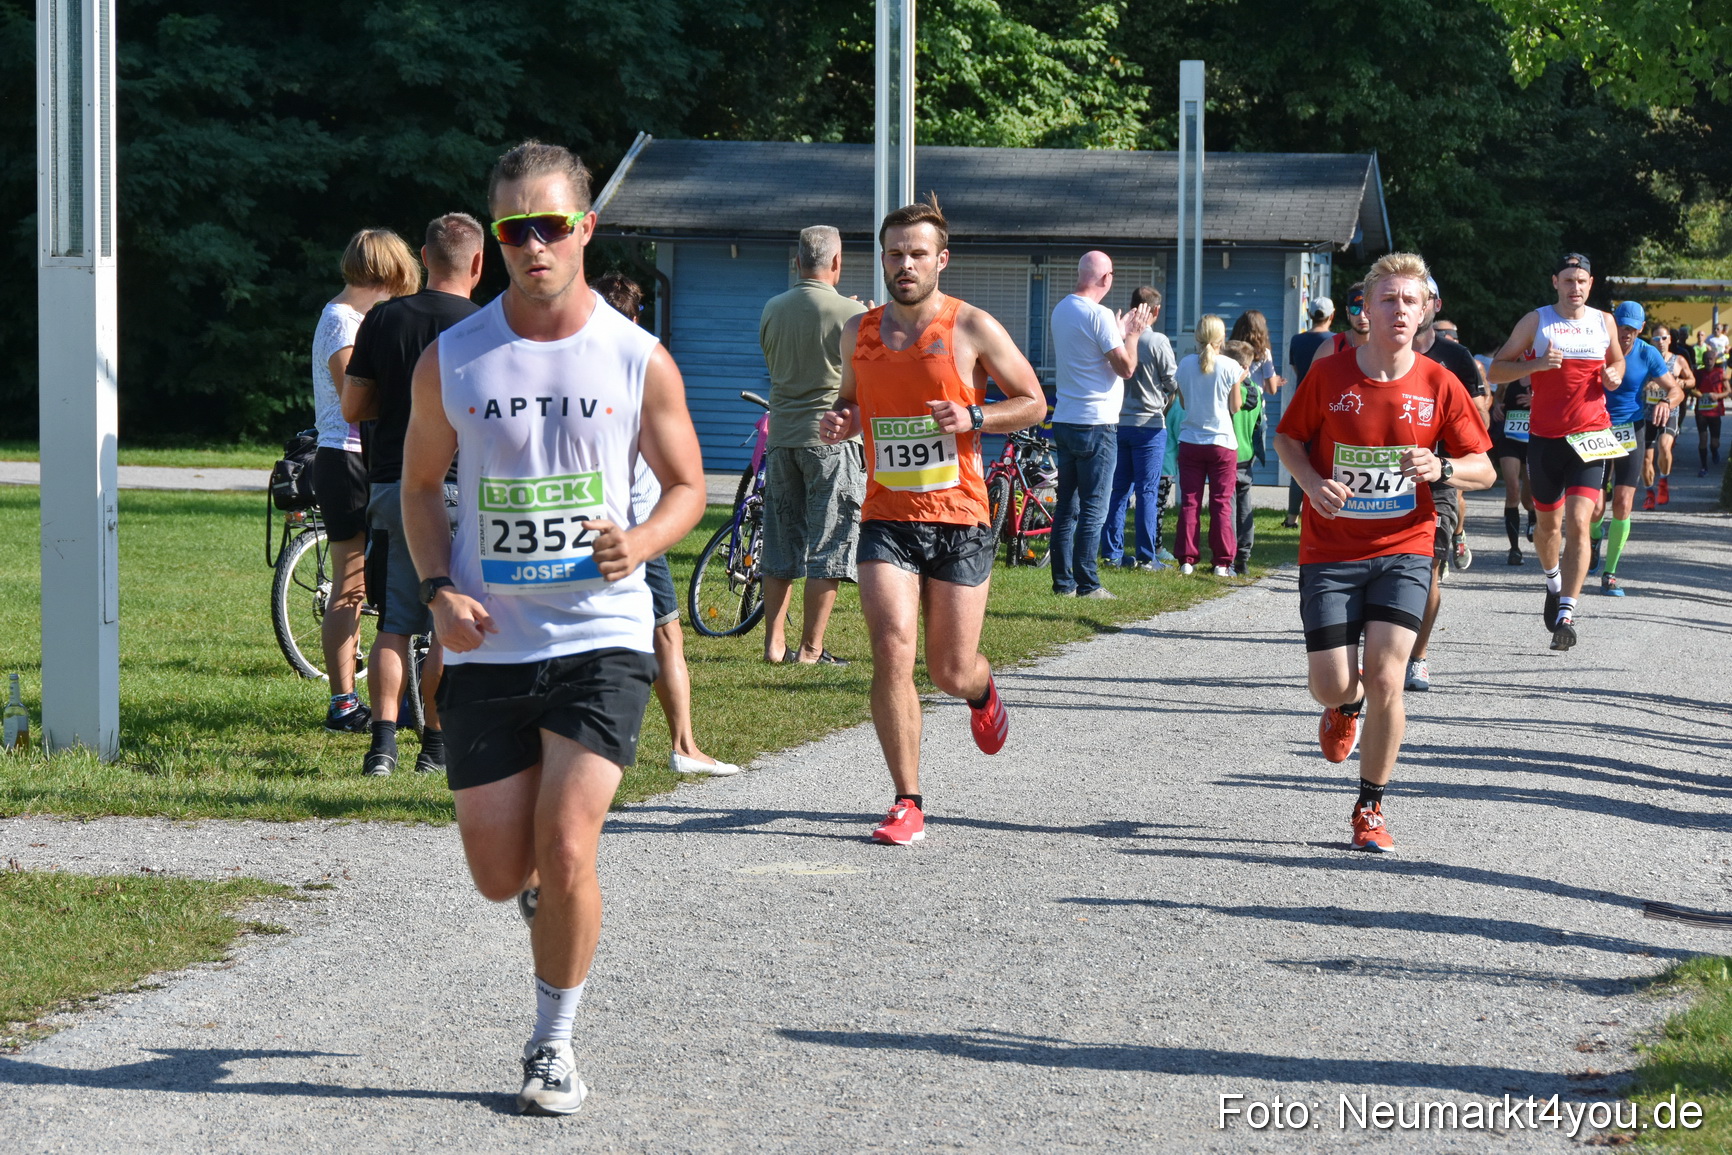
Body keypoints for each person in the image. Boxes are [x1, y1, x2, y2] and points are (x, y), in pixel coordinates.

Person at [401, 140, 707, 1116]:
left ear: (586, 229)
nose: (535, 244)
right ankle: (543, 902)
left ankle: (552, 1044)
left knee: (570, 845)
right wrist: (440, 587)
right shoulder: (455, 356)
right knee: (501, 874)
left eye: (552, 225)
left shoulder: (633, 355)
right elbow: (415, 487)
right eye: (514, 228)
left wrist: (643, 540)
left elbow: (689, 486)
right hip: (491, 637)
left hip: (601, 636)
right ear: (496, 241)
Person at [819, 196, 1045, 845]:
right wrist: (842, 420)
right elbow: (852, 404)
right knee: (891, 648)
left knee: (949, 667)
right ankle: (906, 800)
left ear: (940, 260)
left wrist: (977, 417)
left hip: (960, 516)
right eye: (895, 253)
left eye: (918, 253)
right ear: (882, 260)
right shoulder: (856, 333)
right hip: (887, 516)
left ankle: (980, 691)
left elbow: (1033, 402)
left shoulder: (970, 326)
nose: (905, 264)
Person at [1273, 252, 1494, 853]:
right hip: (1331, 549)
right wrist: (1312, 484)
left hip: (1406, 546)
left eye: (1410, 300)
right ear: (1365, 309)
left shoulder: (1440, 382)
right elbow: (1288, 438)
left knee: (1389, 677)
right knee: (1332, 682)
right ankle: (1343, 707)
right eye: (1388, 299)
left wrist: (1443, 464)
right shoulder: (1330, 375)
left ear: (1427, 311)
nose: (1399, 310)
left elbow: (1485, 466)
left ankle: (1369, 807)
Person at [344, 213, 485, 776]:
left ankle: (381, 745)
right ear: (478, 263)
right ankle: (437, 745)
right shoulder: (488, 326)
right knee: (451, 623)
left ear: (424, 258)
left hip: (394, 482)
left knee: (394, 623)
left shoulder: (382, 318)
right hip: (464, 489)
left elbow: (353, 407)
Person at [594, 271, 743, 777]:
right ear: (635, 318)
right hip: (638, 528)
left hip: (584, 525)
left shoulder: (575, 362)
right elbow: (681, 475)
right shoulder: (641, 365)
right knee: (666, 636)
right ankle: (684, 745)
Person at [1487, 253, 1626, 650]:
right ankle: (1553, 582)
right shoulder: (1537, 321)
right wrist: (1536, 366)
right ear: (1555, 283)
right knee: (1548, 526)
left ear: (1590, 282)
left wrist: (1615, 372)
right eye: (1568, 280)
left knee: (1580, 522)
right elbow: (1496, 370)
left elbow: (1616, 361)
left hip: (1591, 437)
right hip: (1546, 439)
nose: (1575, 287)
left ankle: (1567, 610)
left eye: (1581, 280)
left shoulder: (1604, 322)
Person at [310, 228, 418, 733]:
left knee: (363, 582)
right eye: (399, 281)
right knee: (350, 586)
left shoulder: (358, 319)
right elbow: (354, 400)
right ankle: (343, 703)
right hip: (346, 457)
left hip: (362, 457)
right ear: (386, 274)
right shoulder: (342, 321)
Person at [758, 226, 869, 664]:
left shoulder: (772, 307)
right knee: (830, 542)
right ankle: (810, 649)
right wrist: (862, 315)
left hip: (782, 435)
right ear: (837, 262)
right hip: (831, 439)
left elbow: (771, 361)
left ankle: (773, 644)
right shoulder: (852, 314)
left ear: (796, 262)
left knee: (781, 543)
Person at [1047, 251, 1153, 598]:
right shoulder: (1101, 314)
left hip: (1065, 418)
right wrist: (1133, 335)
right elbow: (1125, 368)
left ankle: (1063, 583)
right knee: (1094, 506)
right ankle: (1088, 583)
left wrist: (1116, 330)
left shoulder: (1062, 308)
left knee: (1066, 507)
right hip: (1097, 424)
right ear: (1106, 279)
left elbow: (1088, 346)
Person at [1405, 277, 1491, 691]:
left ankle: (1417, 658)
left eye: (1421, 299)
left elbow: (1480, 422)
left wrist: (1449, 457)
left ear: (1434, 305)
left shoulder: (1456, 357)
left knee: (1428, 568)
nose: (1412, 308)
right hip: (1384, 472)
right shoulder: (1381, 350)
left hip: (1437, 475)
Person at [1588, 302, 1677, 596]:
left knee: (1623, 503)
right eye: (1621, 326)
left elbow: (1675, 389)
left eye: (1631, 328)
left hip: (1631, 429)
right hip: (1597, 428)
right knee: (1596, 506)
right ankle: (1593, 539)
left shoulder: (1647, 353)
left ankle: (1610, 573)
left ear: (1640, 329)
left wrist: (1666, 402)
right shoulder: (1597, 346)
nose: (1625, 333)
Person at [1101, 285, 1177, 570]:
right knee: (1147, 490)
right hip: (1149, 425)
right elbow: (1172, 381)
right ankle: (1147, 556)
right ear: (1155, 310)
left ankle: (1112, 553)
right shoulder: (1157, 341)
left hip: (1118, 422)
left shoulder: (1117, 334)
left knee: (1118, 490)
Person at [1172, 315, 1243, 577]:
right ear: (1221, 338)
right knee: (1221, 503)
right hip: (1222, 443)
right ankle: (1222, 562)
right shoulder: (1231, 365)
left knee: (1190, 502)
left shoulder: (1185, 364)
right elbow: (1235, 407)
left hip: (1191, 440)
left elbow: (1183, 404)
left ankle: (1187, 560)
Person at [1282, 296, 1337, 529]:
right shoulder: (1335, 341)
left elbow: (1296, 370)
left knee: (1300, 461)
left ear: (1310, 314)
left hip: (1301, 404)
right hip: (1329, 406)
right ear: (1332, 316)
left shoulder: (1297, 340)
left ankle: (1292, 517)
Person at [1488, 356, 1536, 564]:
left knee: (1528, 498)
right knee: (1512, 489)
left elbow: (1560, 400)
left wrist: (1538, 402)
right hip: (1510, 439)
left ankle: (1533, 516)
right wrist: (1497, 406)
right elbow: (1496, 398)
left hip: (1534, 441)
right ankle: (1514, 549)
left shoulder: (1542, 374)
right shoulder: (1509, 374)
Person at [1642, 323, 1693, 508]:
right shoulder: (1645, 358)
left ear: (1670, 339)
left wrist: (1680, 382)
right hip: (1647, 414)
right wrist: (1645, 386)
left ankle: (1663, 482)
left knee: (1664, 447)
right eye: (1656, 338)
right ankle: (1649, 493)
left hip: (1670, 411)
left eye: (1664, 338)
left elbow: (1692, 380)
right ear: (1651, 341)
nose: (1661, 342)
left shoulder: (1678, 360)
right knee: (1646, 459)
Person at [1223, 339, 1262, 574]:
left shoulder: (1229, 393)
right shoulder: (1256, 391)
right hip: (1248, 455)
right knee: (1245, 506)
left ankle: (1228, 556)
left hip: (1229, 454)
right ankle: (1244, 557)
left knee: (1228, 507)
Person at [1695, 349, 1726, 474]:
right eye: (1706, 359)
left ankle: (1714, 451)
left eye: (1711, 359)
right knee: (1703, 439)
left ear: (1715, 360)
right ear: (1703, 360)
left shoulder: (1720, 373)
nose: (1708, 361)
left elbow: (1728, 391)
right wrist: (1698, 394)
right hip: (1701, 412)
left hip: (1715, 411)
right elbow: (1691, 388)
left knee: (1715, 443)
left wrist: (1718, 396)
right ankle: (1704, 466)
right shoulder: (1698, 373)